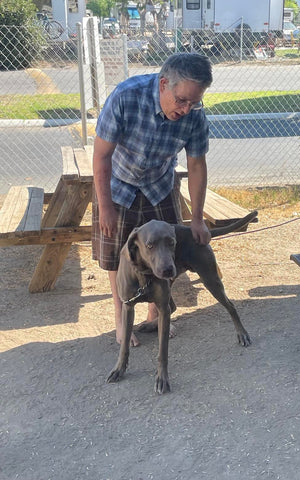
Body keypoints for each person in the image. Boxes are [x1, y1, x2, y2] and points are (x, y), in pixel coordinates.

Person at [92, 52, 213, 346]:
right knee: (117, 258)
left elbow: (197, 165)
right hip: (118, 184)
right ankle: (122, 320)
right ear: (163, 84)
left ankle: (155, 313)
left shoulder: (195, 116)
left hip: (159, 185)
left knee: (163, 254)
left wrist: (197, 219)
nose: (187, 109)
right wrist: (105, 208)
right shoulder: (125, 97)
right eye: (182, 100)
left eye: (194, 102)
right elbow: (101, 156)